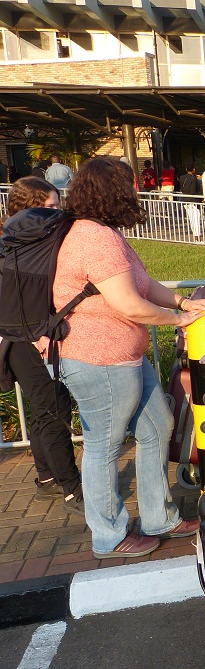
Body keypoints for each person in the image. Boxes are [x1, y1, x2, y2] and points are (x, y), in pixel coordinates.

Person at [53, 158, 205, 559]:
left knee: (158, 426)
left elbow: (142, 284)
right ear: (113, 191)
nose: (137, 192)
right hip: (99, 358)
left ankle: (159, 518)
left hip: (123, 356)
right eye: (130, 185)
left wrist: (182, 301)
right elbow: (129, 304)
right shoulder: (94, 237)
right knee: (104, 446)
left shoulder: (106, 232)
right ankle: (109, 535)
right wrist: (178, 319)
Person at [0, 177, 83, 514]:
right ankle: (73, 488)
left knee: (43, 408)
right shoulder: (23, 249)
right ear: (29, 209)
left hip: (19, 339)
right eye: (50, 207)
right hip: (29, 339)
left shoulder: (14, 245)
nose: (57, 213)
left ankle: (47, 477)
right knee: (54, 409)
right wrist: (37, 333)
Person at [176, 162, 202, 240]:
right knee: (196, 218)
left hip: (185, 200)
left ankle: (195, 234)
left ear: (186, 169)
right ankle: (197, 235)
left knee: (191, 218)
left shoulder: (182, 178)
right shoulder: (193, 179)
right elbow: (192, 191)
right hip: (193, 201)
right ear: (193, 169)